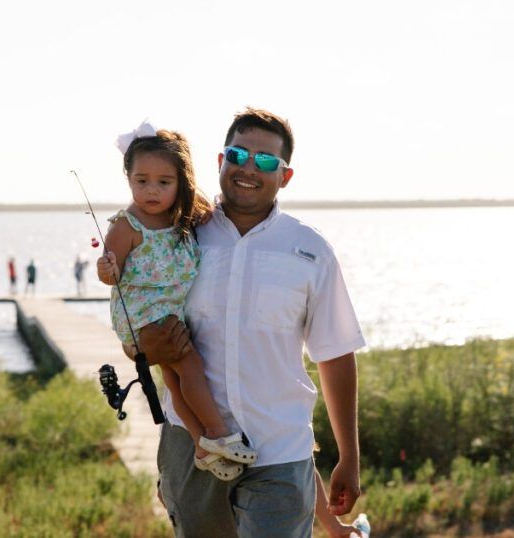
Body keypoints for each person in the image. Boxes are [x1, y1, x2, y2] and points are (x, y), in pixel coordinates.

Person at [137, 108, 365, 536]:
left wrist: (349, 457)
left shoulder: (310, 251)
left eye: (265, 162)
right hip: (194, 447)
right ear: (220, 160)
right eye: (238, 154)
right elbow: (139, 315)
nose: (248, 169)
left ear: (285, 176)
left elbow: (335, 354)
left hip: (281, 451)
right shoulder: (180, 237)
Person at [97, 122, 257, 481]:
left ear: (180, 182)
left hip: (167, 312)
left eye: (163, 182)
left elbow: (214, 218)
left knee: (174, 379)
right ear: (128, 179)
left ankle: (201, 445)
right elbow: (109, 274)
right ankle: (219, 433)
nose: (151, 190)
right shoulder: (126, 226)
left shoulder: (182, 216)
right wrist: (106, 267)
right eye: (142, 181)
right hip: (142, 316)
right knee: (190, 367)